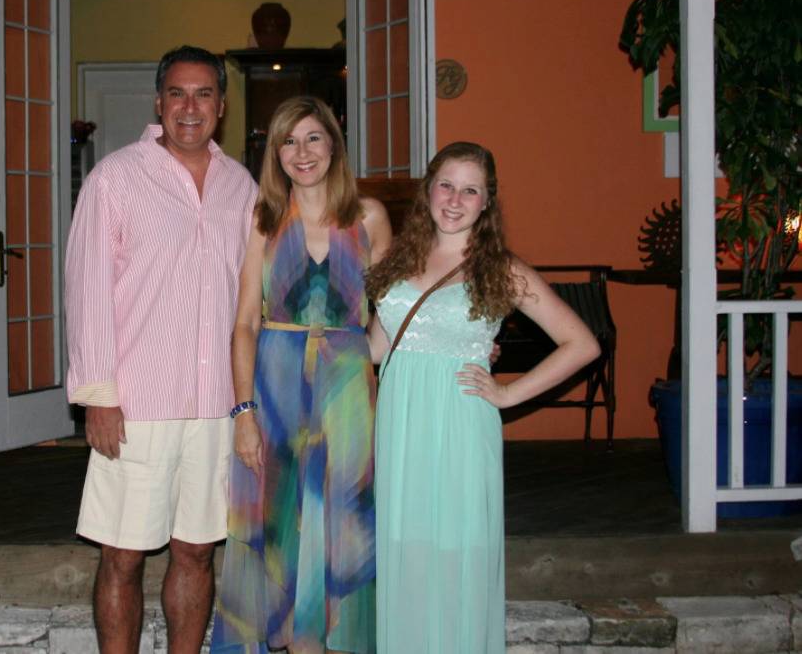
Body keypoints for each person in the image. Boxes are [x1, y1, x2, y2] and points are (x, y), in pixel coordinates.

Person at [364, 141, 600, 653]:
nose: (455, 199)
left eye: (470, 190)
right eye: (446, 185)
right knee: (404, 553)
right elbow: (377, 348)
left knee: (456, 555)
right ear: (428, 189)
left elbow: (581, 344)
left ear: (487, 202)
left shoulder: (501, 269)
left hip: (460, 425)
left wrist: (509, 393)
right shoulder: (397, 259)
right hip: (399, 428)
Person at [65, 45, 259, 654]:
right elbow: (87, 289)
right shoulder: (115, 178)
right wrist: (98, 395)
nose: (190, 107)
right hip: (137, 403)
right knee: (122, 555)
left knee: (197, 551)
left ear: (222, 107)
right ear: (158, 102)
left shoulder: (241, 185)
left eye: (203, 94)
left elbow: (258, 295)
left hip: (216, 404)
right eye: (177, 93)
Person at [211, 96, 392, 654]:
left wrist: (378, 368)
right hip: (276, 393)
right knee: (276, 529)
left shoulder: (369, 217)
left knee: (341, 533)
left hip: (346, 397)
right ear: (276, 154)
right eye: (288, 141)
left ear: (333, 143)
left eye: (313, 138)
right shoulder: (263, 219)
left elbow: (396, 310)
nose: (301, 152)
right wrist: (244, 415)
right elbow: (243, 323)